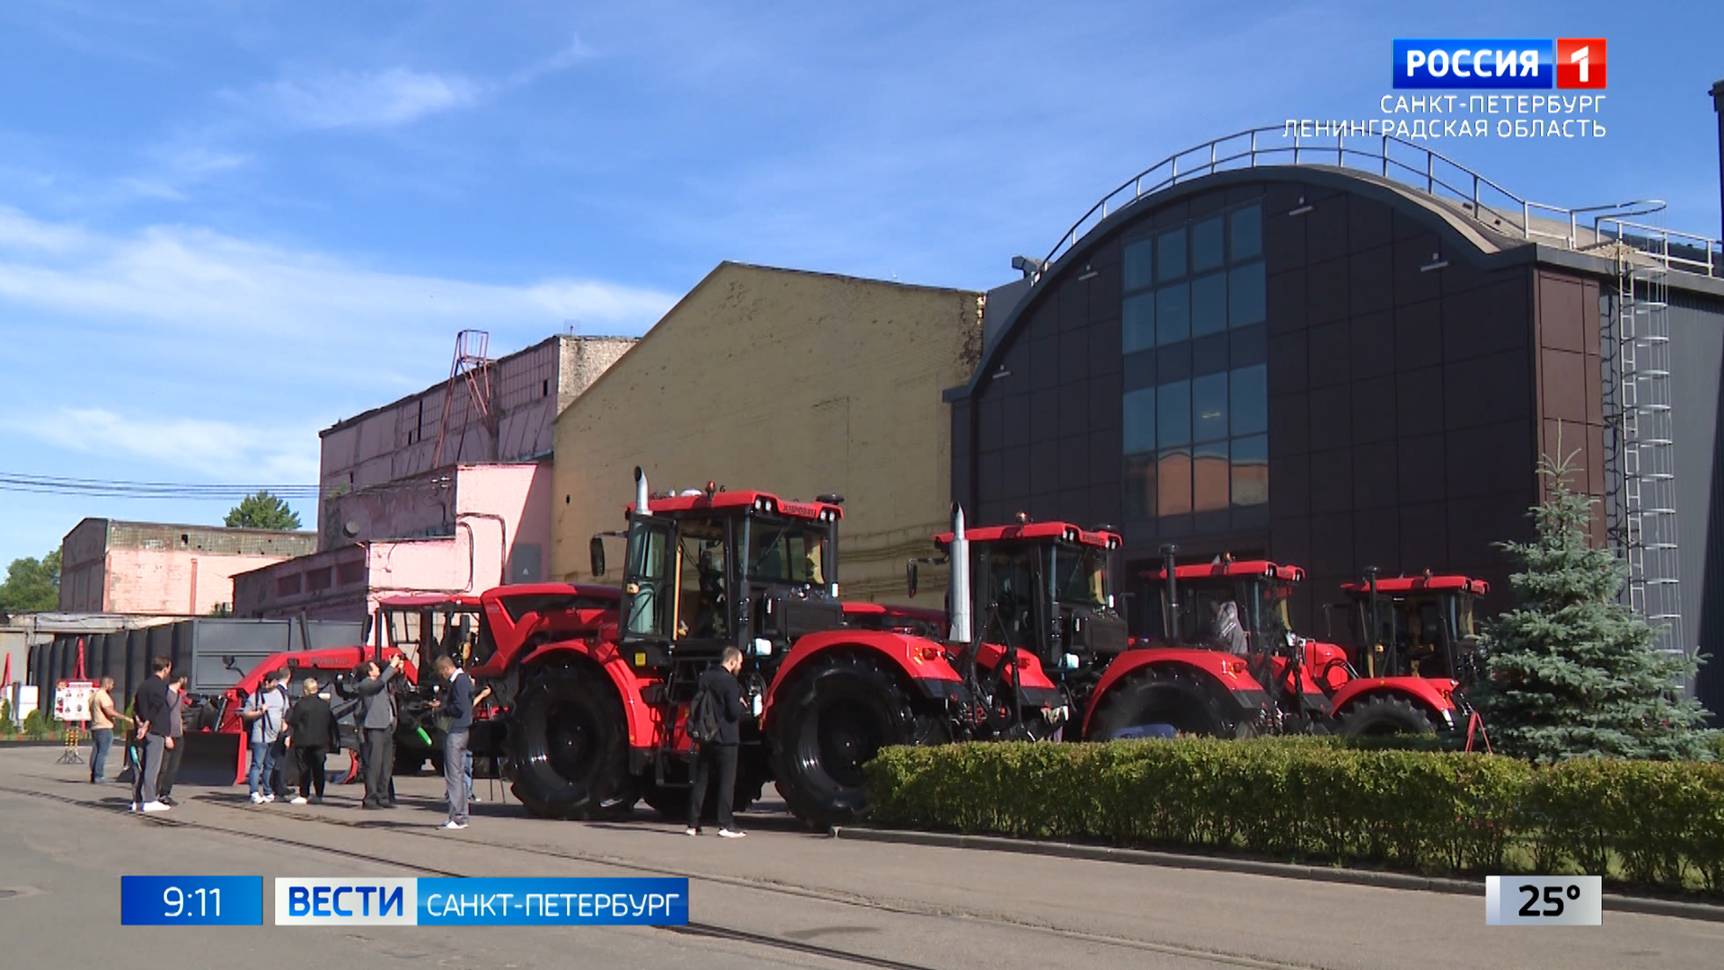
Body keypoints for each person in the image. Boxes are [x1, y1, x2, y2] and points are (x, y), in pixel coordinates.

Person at [686, 646, 746, 839]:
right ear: (732, 661)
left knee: (701, 780)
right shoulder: (730, 683)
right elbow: (733, 712)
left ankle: (693, 824)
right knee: (726, 782)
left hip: (706, 736)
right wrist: (743, 705)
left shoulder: (705, 677)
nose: (740, 666)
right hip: (726, 738)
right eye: (739, 663)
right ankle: (725, 824)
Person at [353, 655, 404, 809]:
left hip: (386, 727)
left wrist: (396, 669)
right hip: (374, 728)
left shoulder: (381, 682)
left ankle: (383, 796)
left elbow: (393, 684)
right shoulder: (366, 684)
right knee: (374, 764)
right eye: (375, 667)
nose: (378, 669)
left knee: (386, 764)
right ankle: (370, 798)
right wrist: (392, 666)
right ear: (369, 672)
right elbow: (380, 683)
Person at [430, 655, 473, 830]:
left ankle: (458, 816)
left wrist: (443, 709)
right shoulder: (465, 680)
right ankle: (459, 815)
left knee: (453, 774)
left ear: (446, 669)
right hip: (463, 730)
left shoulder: (460, 682)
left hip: (456, 730)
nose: (443, 677)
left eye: (442, 673)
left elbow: (459, 707)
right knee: (459, 774)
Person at [285, 677, 339, 805]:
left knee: (304, 768)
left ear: (305, 690)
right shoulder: (324, 705)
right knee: (319, 768)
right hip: (321, 742)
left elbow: (293, 721)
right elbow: (331, 723)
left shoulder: (301, 704)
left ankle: (304, 794)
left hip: (303, 741)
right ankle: (319, 794)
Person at [130, 656, 174, 813]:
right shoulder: (161, 686)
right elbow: (156, 708)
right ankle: (150, 800)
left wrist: (140, 725)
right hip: (155, 730)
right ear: (166, 668)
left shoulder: (143, 685)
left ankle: (137, 800)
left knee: (140, 767)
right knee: (152, 767)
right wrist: (147, 724)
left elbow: (135, 708)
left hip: (143, 731)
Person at [241, 669, 290, 804]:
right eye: (267, 682)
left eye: (272, 682)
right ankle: (254, 792)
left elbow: (284, 713)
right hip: (260, 737)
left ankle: (268, 791)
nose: (269, 685)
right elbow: (246, 714)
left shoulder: (281, 696)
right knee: (257, 764)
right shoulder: (255, 696)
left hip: (274, 737)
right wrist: (259, 712)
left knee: (269, 765)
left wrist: (284, 727)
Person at [156, 674, 189, 805]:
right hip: (168, 735)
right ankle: (156, 793)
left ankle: (165, 793)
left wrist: (181, 729)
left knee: (173, 767)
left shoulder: (178, 695)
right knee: (163, 766)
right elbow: (162, 715)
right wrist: (166, 736)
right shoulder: (166, 693)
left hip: (178, 735)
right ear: (181, 679)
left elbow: (178, 714)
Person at [87, 676, 127, 783]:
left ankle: (94, 775)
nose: (112, 687)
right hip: (104, 727)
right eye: (112, 685)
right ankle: (99, 776)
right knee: (102, 752)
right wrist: (124, 718)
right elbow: (109, 711)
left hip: (95, 726)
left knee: (96, 751)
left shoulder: (93, 696)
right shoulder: (103, 696)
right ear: (107, 684)